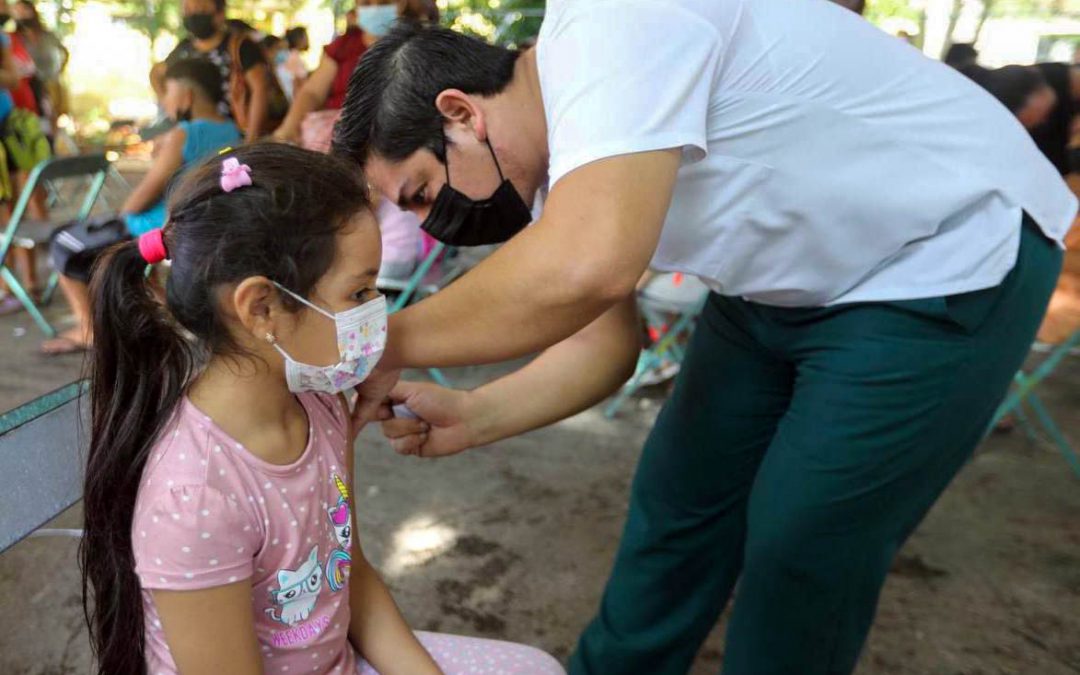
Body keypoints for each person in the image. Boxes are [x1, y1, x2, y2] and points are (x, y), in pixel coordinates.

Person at [330, 5, 1077, 673]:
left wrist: (375, 342)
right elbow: (602, 340)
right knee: (680, 494)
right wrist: (479, 412)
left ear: (460, 113)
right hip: (781, 285)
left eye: (424, 191)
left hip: (943, 253)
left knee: (803, 538)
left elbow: (588, 269)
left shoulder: (610, 26)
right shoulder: (563, 170)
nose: (434, 223)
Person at [77, 142, 565, 675]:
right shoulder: (195, 499)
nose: (377, 311)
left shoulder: (321, 401)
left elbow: (350, 571)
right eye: (359, 292)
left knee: (536, 667)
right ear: (262, 308)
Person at [41, 59, 241, 355]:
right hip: (200, 223)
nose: (165, 100)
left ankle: (88, 329)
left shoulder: (183, 134)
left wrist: (121, 213)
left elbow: (142, 198)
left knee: (64, 241)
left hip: (157, 228)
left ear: (186, 95)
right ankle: (165, 311)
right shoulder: (231, 130)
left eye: (168, 92)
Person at [150, 0, 285, 143]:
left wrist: (251, 139)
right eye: (187, 10)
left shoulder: (240, 47)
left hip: (235, 135)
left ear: (220, 13)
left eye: (200, 9)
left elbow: (260, 89)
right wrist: (166, 101)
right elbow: (157, 73)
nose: (193, 14)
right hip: (196, 137)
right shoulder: (184, 49)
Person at [12, 0, 66, 132]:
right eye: (18, 11)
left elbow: (64, 52)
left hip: (51, 81)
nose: (21, 14)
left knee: (53, 117)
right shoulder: (15, 38)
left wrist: (60, 70)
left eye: (24, 10)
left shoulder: (47, 35)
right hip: (29, 85)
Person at [281, 26, 309, 99]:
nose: (307, 40)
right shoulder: (294, 58)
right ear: (298, 40)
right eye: (305, 37)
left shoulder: (291, 55)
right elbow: (299, 85)